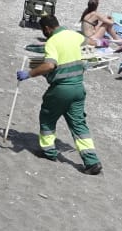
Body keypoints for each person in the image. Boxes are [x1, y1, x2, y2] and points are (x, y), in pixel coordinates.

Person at [15, 15, 101, 175]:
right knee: (78, 124)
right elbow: (91, 44)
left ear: (47, 28)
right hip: (78, 87)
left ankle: (49, 152)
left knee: (47, 117)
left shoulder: (52, 42)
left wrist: (29, 74)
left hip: (61, 88)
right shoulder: (73, 35)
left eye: (43, 30)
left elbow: (49, 65)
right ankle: (92, 161)